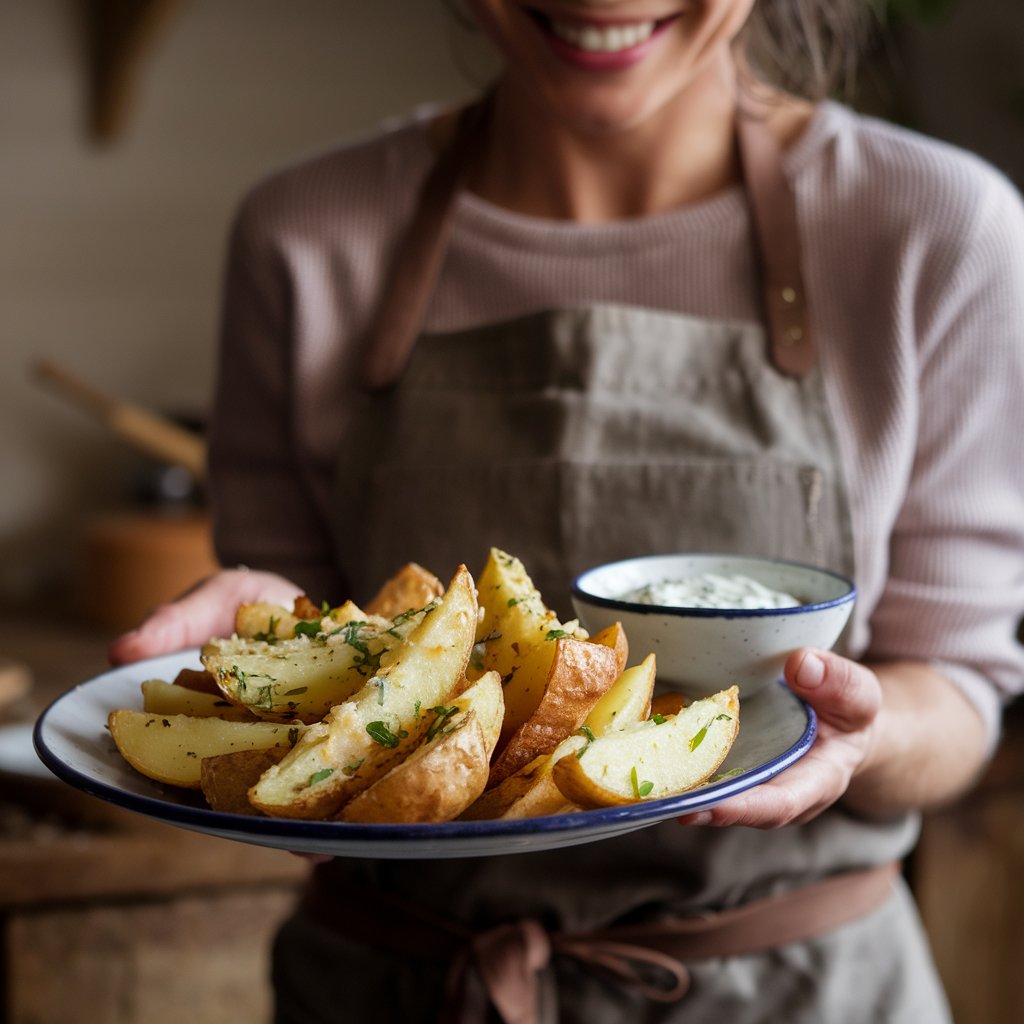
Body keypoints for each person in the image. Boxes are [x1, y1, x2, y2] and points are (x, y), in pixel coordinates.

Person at [110, 1, 1024, 1020]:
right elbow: (321, 667)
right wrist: (267, 631)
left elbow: (959, 685)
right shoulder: (305, 231)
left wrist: (865, 732)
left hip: (805, 989)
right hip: (394, 985)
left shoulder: (936, 224)